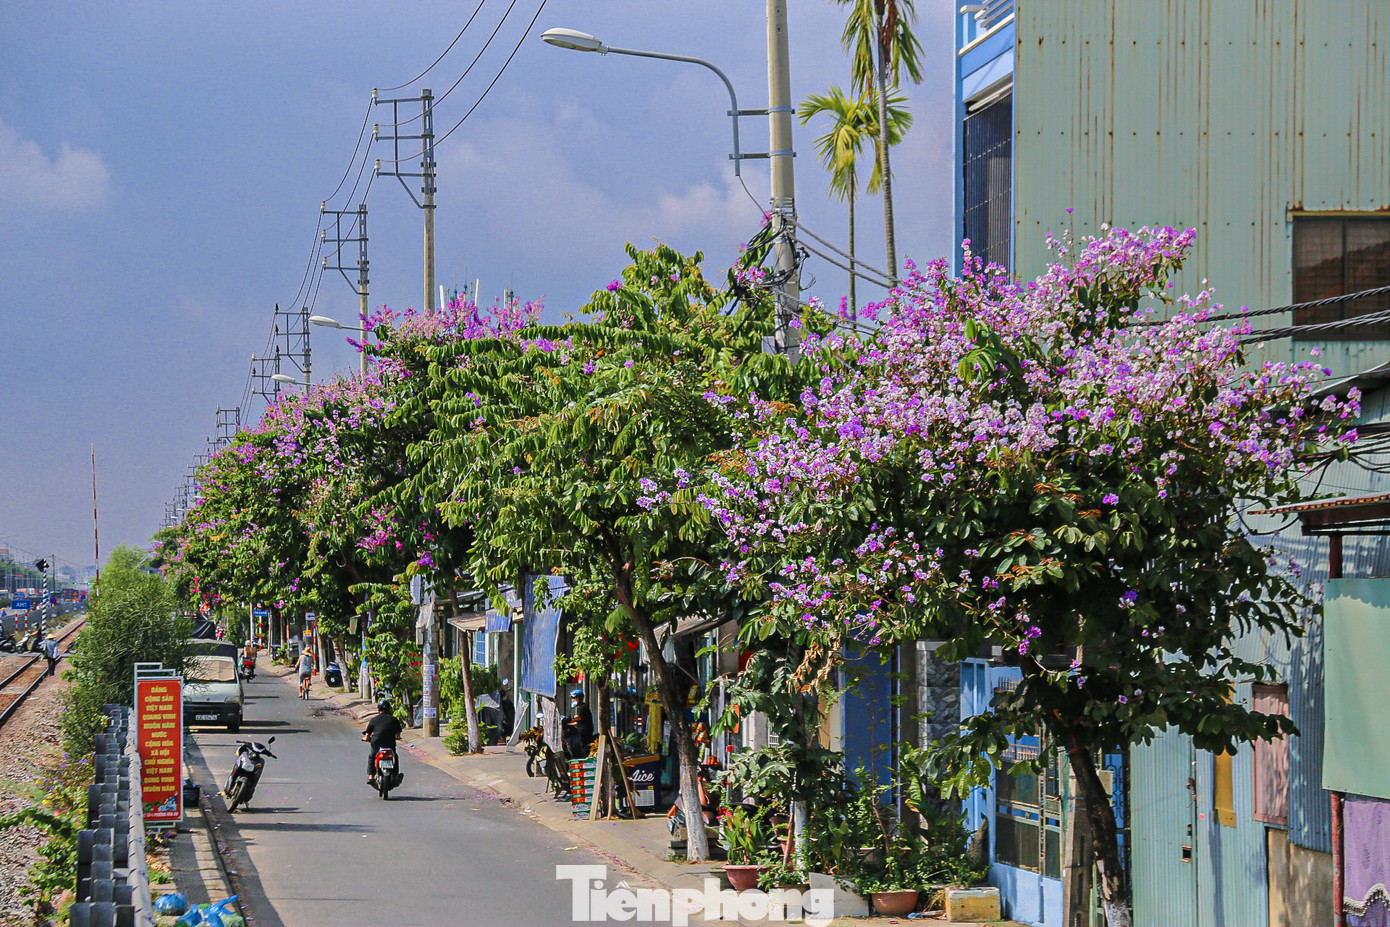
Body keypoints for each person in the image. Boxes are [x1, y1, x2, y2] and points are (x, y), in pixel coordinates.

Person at [362, 698, 404, 782]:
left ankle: (371, 776)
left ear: (378, 709)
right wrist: (397, 738)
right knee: (394, 756)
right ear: (389, 709)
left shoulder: (374, 720)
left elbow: (367, 735)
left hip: (376, 742)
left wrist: (366, 739)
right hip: (390, 743)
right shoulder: (393, 719)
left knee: (372, 756)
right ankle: (395, 775)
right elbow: (398, 734)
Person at [563, 688, 594, 758]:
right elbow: (577, 722)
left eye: (574, 698)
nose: (573, 700)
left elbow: (578, 718)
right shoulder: (580, 707)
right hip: (581, 729)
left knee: (582, 747)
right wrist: (566, 723)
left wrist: (570, 720)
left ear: (580, 698)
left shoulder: (583, 707)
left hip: (584, 732)